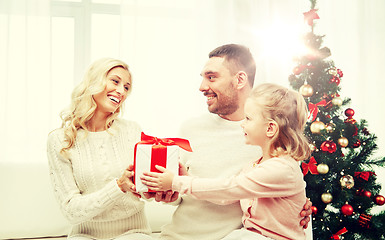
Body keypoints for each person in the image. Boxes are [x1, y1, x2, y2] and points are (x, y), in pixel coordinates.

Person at [128, 44, 312, 240]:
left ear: (240, 79)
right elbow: (184, 192)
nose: (202, 87)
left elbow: (239, 189)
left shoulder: (270, 144)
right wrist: (170, 189)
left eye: (211, 77)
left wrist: (298, 210)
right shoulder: (191, 129)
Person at [46, 58, 153, 240]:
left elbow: (144, 191)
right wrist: (118, 186)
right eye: (115, 81)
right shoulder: (60, 139)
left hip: (133, 232)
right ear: (94, 82)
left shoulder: (131, 130)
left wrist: (153, 188)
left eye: (127, 87)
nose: (121, 91)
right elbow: (71, 211)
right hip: (85, 234)